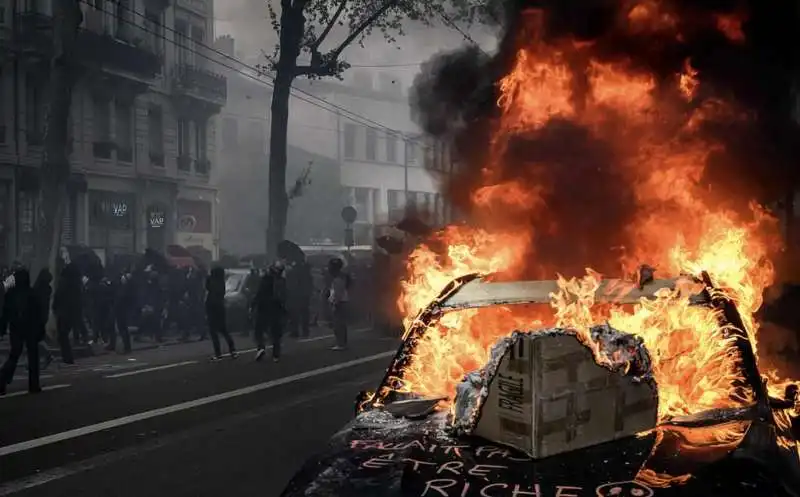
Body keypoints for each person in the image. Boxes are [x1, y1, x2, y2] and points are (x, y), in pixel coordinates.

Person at [0, 268, 42, 395]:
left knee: (14, 355)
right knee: (33, 357)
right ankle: (34, 385)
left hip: (15, 327)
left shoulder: (10, 294)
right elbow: (38, 314)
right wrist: (41, 329)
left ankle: (2, 379)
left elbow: (5, 313)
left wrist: (2, 328)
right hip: (31, 328)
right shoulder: (32, 293)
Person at [252, 261, 286, 362]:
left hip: (263, 307)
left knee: (259, 329)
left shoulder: (265, 279)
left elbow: (259, 293)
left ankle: (261, 347)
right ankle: (276, 355)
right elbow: (285, 296)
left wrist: (253, 304)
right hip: (276, 308)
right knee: (275, 332)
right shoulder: (282, 281)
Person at [53, 263, 84, 364]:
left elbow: (58, 295)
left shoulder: (63, 282)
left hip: (63, 312)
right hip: (72, 312)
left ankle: (67, 357)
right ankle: (68, 356)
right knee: (65, 334)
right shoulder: (77, 283)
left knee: (62, 335)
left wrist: (55, 307)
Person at [205, 267, 237, 360]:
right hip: (220, 308)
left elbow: (208, 287)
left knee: (213, 332)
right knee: (224, 330)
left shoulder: (212, 282)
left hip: (212, 308)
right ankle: (233, 350)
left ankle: (218, 354)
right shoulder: (221, 282)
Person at [32, 268, 54, 370]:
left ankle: (47, 355)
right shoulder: (47, 288)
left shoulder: (39, 288)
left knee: (35, 339)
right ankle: (45, 356)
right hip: (42, 315)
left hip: (36, 315)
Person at [327, 258, 350, 351]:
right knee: (340, 324)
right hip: (341, 303)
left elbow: (338, 294)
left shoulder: (338, 279)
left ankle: (341, 344)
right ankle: (342, 343)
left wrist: (334, 304)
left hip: (339, 304)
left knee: (338, 325)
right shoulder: (342, 277)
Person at [111, 267, 134, 353]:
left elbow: (120, 298)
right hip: (122, 308)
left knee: (122, 328)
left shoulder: (124, 288)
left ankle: (127, 347)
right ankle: (127, 347)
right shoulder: (125, 287)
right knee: (122, 328)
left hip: (121, 309)